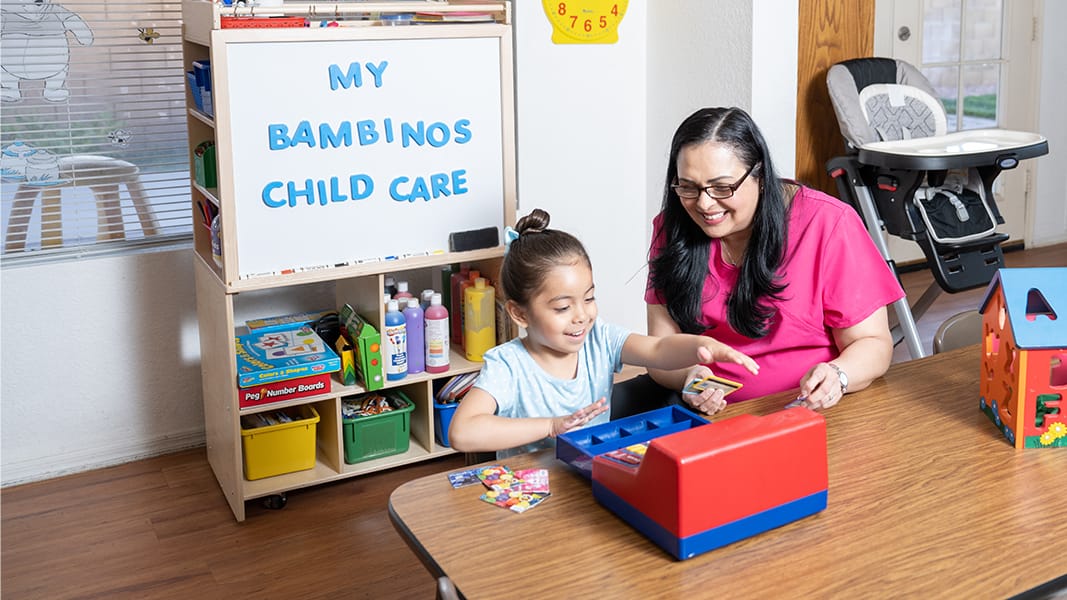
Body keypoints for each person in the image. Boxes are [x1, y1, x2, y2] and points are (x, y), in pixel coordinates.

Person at [640, 106, 905, 416]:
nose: (704, 203)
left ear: (760, 176)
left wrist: (837, 375)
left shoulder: (827, 224)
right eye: (688, 186)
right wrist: (689, 377)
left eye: (722, 187)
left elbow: (873, 344)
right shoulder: (672, 228)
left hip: (812, 410)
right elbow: (659, 348)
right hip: (714, 415)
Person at [447, 208, 759, 457]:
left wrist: (701, 345)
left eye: (589, 298)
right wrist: (552, 426)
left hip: (591, 478)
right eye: (562, 308)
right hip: (535, 494)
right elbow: (462, 432)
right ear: (519, 313)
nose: (582, 316)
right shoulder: (509, 365)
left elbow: (659, 349)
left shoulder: (599, 339)